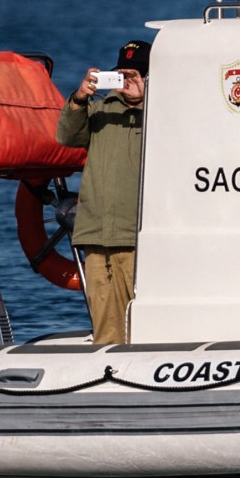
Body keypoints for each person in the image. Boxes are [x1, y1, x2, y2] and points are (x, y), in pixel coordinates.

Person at [57, 39, 150, 343]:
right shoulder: (100, 109)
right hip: (95, 232)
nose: (127, 82)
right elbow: (66, 136)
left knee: (139, 321)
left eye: (135, 74)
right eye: (122, 74)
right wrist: (79, 99)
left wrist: (147, 99)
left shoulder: (160, 111)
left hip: (134, 235)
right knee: (104, 322)